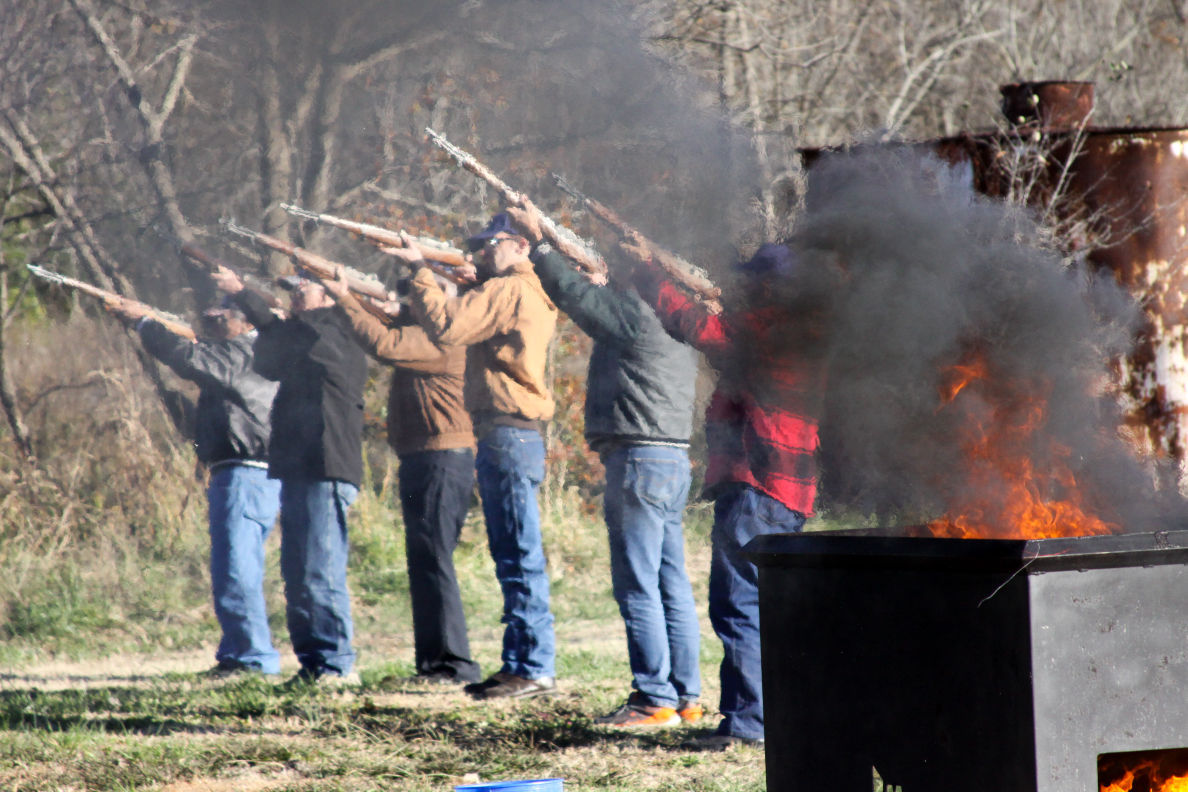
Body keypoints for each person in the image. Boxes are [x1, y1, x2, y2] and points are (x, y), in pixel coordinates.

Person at [506, 203, 702, 728]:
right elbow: (595, 303)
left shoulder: (637, 312)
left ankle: (653, 698)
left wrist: (541, 245)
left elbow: (574, 297)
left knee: (638, 584)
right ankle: (686, 695)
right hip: (670, 458)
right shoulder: (677, 318)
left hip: (638, 459)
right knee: (670, 582)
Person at [629, 241, 829, 749]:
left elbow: (695, 326)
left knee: (739, 604)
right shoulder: (810, 331)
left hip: (756, 485)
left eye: (754, 281)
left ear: (769, 286)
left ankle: (747, 724)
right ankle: (777, 717)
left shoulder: (765, 328)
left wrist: (648, 271)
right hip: (791, 492)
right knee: (774, 609)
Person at [395, 213, 559, 700]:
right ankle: (526, 662)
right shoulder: (513, 288)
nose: (481, 252)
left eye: (492, 245)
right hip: (514, 433)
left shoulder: (508, 290)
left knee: (516, 554)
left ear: (522, 245)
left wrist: (421, 269)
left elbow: (445, 326)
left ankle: (530, 666)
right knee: (516, 553)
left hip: (507, 432)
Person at [315, 267, 482, 686]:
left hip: (442, 455)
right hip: (425, 455)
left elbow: (386, 343)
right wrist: (363, 298)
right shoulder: (425, 331)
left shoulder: (444, 337)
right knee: (424, 560)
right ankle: (434, 663)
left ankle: (452, 664)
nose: (416, 300)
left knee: (434, 559)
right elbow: (388, 329)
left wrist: (346, 298)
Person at [212, 267, 368, 684]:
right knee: (298, 575)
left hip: (326, 466)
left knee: (320, 571)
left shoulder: (339, 332)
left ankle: (335, 665)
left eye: (306, 287)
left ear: (333, 295)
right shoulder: (302, 335)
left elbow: (299, 339)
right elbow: (271, 359)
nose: (296, 294)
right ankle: (314, 665)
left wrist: (246, 295)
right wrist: (253, 303)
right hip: (298, 467)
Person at [111, 299, 282, 676]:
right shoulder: (248, 348)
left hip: (245, 471)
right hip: (239, 470)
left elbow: (192, 361)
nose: (210, 322)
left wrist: (145, 324)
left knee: (236, 567)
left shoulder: (243, 352)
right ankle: (241, 653)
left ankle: (252, 658)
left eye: (219, 317)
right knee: (234, 566)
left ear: (243, 321)